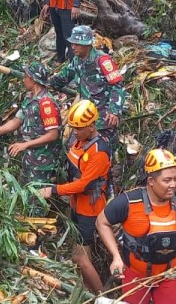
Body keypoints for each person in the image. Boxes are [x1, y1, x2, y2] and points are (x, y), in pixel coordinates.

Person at [96, 149, 176, 304]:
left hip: (170, 274)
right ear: (151, 181)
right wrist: (116, 256)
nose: (173, 185)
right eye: (167, 180)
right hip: (135, 275)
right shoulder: (129, 202)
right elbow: (101, 222)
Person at [39, 100, 111, 293]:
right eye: (73, 128)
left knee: (80, 257)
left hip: (90, 208)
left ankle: (101, 295)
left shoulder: (99, 152)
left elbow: (83, 184)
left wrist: (53, 190)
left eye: (79, 128)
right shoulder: (79, 141)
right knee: (81, 253)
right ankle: (87, 290)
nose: (75, 132)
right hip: (77, 206)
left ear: (92, 126)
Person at [0, 62, 63, 186]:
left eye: (26, 77)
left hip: (43, 161)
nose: (24, 80)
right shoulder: (29, 98)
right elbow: (16, 121)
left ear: (33, 80)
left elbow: (53, 135)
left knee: (37, 198)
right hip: (30, 158)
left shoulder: (46, 103)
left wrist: (25, 145)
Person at [49, 25, 128, 153]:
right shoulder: (77, 60)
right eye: (72, 43)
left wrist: (114, 111)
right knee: (73, 149)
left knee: (102, 153)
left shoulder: (102, 61)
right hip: (85, 118)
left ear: (87, 45)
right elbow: (64, 77)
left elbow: (117, 86)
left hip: (103, 119)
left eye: (77, 44)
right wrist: (47, 83)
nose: (73, 47)